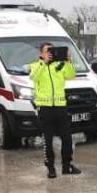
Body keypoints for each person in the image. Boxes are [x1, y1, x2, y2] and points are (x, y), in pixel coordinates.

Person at [28, 43, 80, 178]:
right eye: (47, 51)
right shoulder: (35, 66)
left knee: (67, 138)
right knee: (48, 140)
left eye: (52, 51)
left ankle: (66, 165)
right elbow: (34, 77)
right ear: (41, 53)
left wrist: (68, 61)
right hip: (44, 108)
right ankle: (50, 168)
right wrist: (44, 63)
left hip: (60, 106)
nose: (50, 53)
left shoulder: (60, 65)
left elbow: (71, 75)